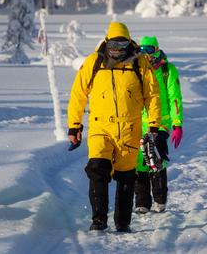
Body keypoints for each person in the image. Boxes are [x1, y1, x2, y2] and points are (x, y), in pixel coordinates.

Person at [67, 21, 162, 233]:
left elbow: (153, 95)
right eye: (113, 46)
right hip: (101, 128)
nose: (117, 50)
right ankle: (99, 220)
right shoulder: (94, 62)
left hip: (129, 128)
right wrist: (74, 126)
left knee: (126, 177)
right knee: (97, 171)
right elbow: (78, 95)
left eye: (122, 45)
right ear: (107, 42)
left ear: (129, 43)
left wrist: (154, 125)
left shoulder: (140, 63)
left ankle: (122, 222)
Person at [134, 35, 184, 214]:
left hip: (161, 121)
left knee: (154, 156)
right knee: (140, 160)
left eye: (149, 50)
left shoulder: (167, 70)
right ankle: (142, 202)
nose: (146, 55)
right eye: (141, 50)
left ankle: (160, 199)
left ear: (156, 50)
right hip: (139, 121)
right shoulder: (137, 68)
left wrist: (177, 124)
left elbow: (175, 98)